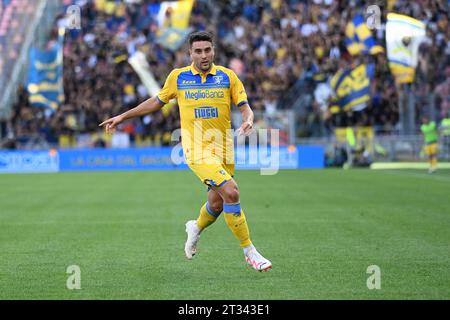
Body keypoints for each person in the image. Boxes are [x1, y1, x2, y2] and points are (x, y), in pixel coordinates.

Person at [99, 31, 272, 272]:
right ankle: (250, 251)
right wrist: (122, 116)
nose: (204, 55)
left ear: (213, 51)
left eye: (207, 50)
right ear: (189, 53)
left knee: (218, 202)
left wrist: (249, 119)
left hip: (224, 148)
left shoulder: (227, 77)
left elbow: (244, 107)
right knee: (231, 193)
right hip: (196, 149)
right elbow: (156, 102)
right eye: (198, 51)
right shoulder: (178, 78)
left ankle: (196, 227)